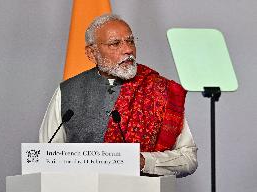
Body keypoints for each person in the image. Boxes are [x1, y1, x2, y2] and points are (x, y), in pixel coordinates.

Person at [39, 14, 198, 177]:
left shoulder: (161, 90)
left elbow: (189, 158)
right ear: (92, 53)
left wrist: (145, 162)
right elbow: (45, 157)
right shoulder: (68, 91)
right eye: (115, 43)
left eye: (130, 41)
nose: (128, 50)